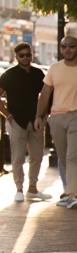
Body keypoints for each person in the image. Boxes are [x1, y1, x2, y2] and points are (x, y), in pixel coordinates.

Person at [0, 42, 50, 202]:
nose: (25, 58)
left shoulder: (38, 74)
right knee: (17, 157)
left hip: (36, 120)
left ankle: (32, 188)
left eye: (28, 55)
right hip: (16, 121)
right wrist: (7, 115)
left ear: (32, 55)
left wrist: (43, 115)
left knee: (37, 156)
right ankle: (19, 189)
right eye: (22, 55)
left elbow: (46, 95)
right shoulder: (9, 74)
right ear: (16, 57)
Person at [35, 36, 77, 208]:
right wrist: (39, 116)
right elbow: (44, 94)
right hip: (56, 117)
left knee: (72, 156)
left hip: (75, 116)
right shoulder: (54, 68)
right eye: (64, 46)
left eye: (72, 46)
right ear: (60, 49)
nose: (68, 49)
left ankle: (73, 195)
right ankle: (68, 191)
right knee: (63, 156)